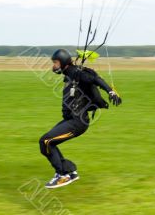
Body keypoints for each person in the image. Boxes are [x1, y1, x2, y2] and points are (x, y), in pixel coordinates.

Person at [39, 49, 122, 189]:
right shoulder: (70, 73)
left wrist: (110, 91)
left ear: (63, 62)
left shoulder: (76, 72)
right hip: (70, 120)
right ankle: (70, 172)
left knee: (46, 141)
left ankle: (62, 175)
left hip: (77, 123)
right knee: (47, 143)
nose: (53, 66)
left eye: (55, 63)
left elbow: (95, 78)